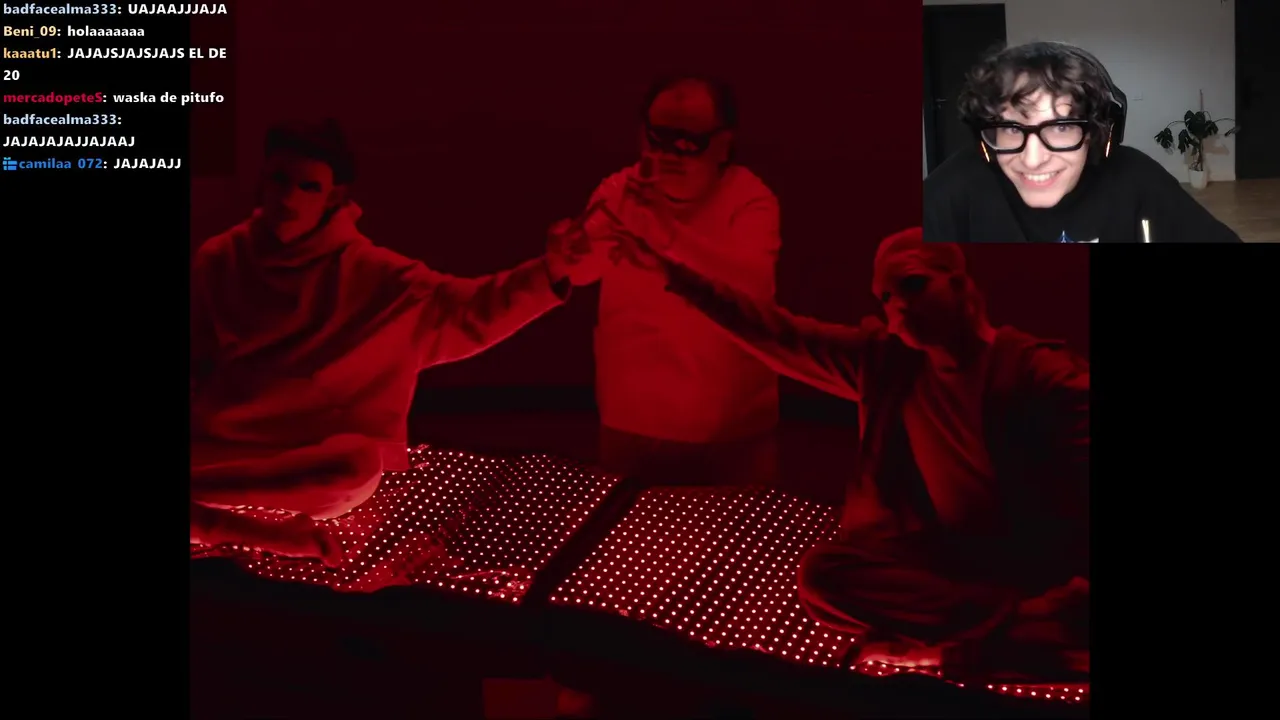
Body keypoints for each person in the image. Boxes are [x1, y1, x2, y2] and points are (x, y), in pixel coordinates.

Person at [598, 215, 1089, 680]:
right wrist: (671, 275)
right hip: (948, 565)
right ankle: (1019, 630)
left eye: (913, 285)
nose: (898, 306)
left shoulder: (1039, 376)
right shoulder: (887, 364)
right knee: (823, 577)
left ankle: (998, 636)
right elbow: (777, 334)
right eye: (885, 297)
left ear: (961, 286)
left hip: (1028, 565)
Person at [190, 119, 604, 565]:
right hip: (220, 444)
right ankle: (244, 530)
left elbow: (467, 311)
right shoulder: (220, 258)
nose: (289, 198)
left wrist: (551, 270)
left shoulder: (375, 276)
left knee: (355, 466)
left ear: (334, 197)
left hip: (308, 461)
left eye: (308, 186)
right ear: (262, 182)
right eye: (279, 180)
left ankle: (207, 515)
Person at [580, 75, 782, 486]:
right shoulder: (619, 192)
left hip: (731, 431)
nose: (671, 154)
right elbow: (581, 272)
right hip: (630, 420)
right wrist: (568, 254)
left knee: (732, 528)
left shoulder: (749, 199)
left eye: (689, 142)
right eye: (659, 138)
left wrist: (665, 235)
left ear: (723, 145)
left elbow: (749, 287)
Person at [925, 41, 1241, 243]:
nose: (1033, 159)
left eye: (1061, 127)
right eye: (1011, 128)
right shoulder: (952, 189)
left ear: (1096, 134)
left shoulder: (1139, 179)